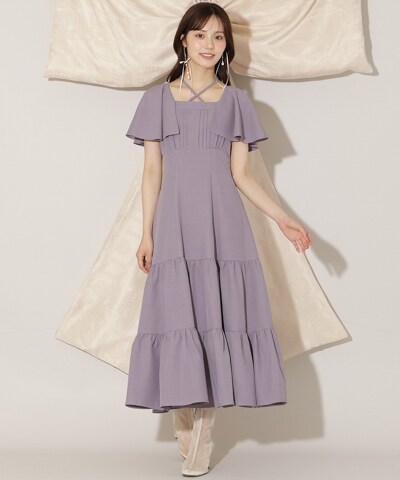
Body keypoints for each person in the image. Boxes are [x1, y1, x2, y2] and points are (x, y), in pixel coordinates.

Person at [124, 2, 312, 477]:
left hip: (224, 226)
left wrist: (283, 219)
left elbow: (242, 176)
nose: (209, 44)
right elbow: (151, 172)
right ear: (183, 40)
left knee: (216, 320)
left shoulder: (236, 103)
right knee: (177, 319)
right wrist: (146, 233)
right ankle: (183, 415)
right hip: (174, 225)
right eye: (200, 35)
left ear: (227, 45)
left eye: (218, 36)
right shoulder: (156, 100)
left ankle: (203, 432)